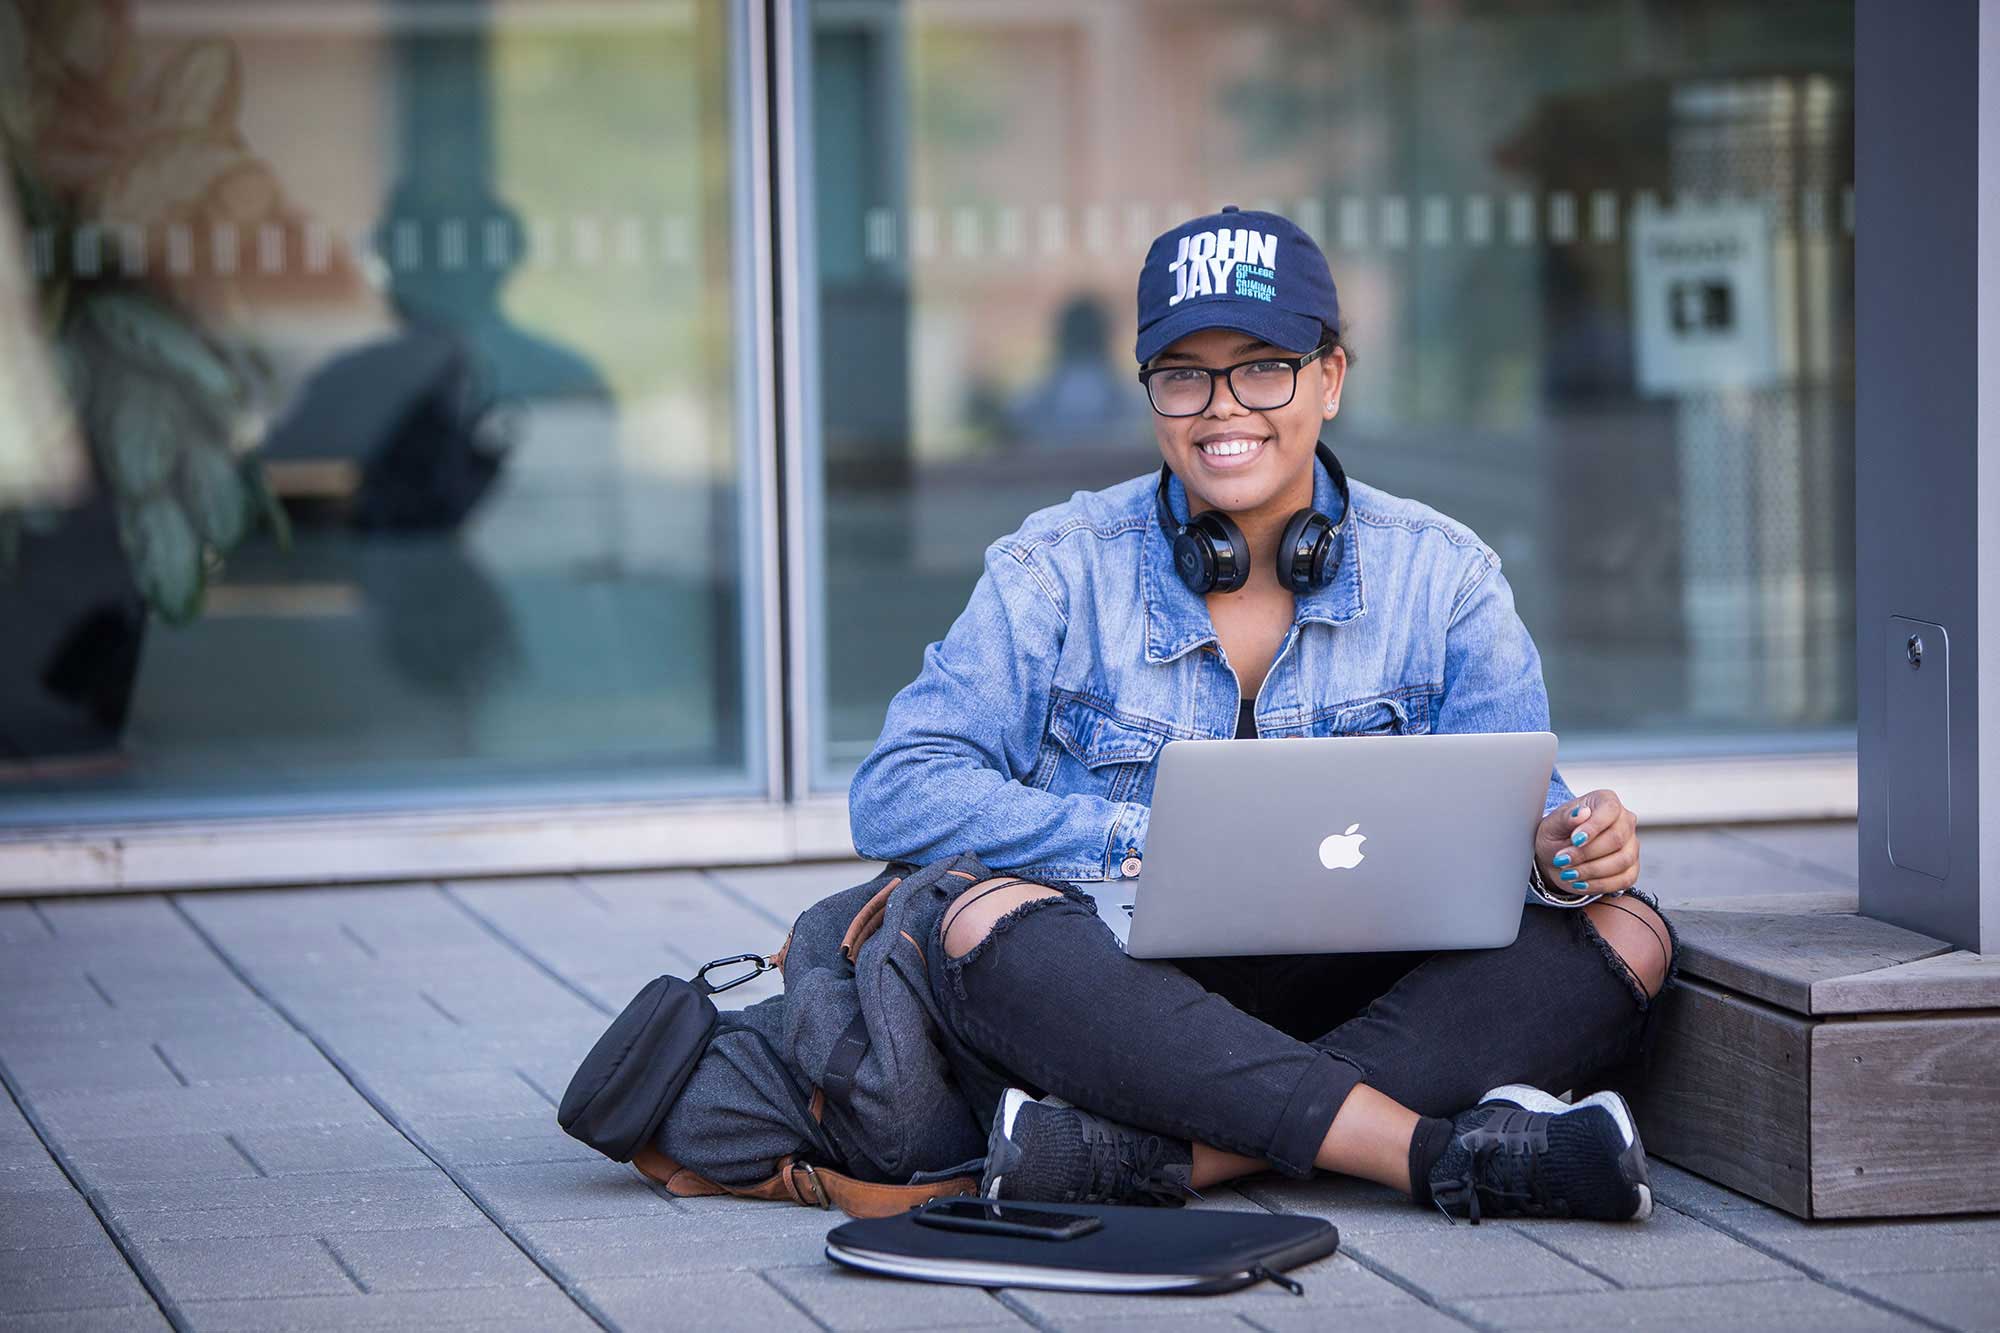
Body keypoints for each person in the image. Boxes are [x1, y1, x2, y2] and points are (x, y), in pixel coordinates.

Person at [844, 206, 1677, 1223]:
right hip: (1119, 987)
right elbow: (897, 788)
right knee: (981, 923)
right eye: (1182, 372)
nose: (1220, 406)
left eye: (1261, 367)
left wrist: (1566, 846)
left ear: (1329, 376)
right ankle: (1434, 1152)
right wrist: (1139, 839)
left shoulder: (1443, 573)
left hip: (1355, 979)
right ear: (1150, 391)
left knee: (1623, 931)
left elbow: (1520, 820)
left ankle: (1163, 1159)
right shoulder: (1053, 565)